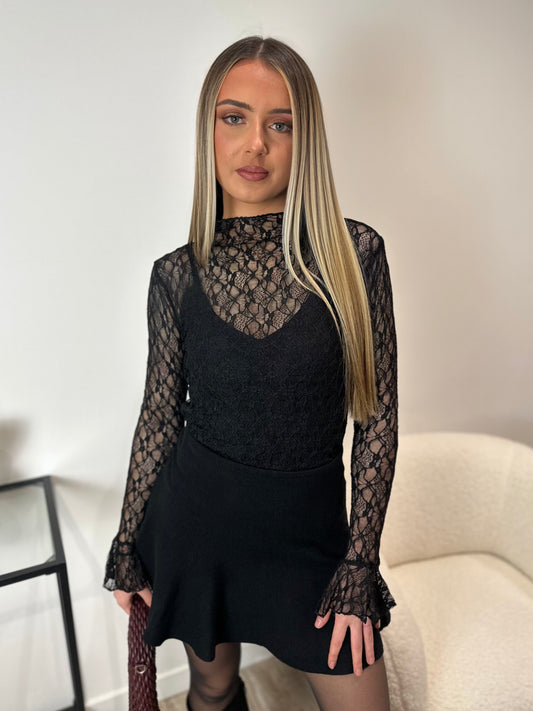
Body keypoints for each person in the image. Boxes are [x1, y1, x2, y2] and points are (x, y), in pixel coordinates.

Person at [104, 35, 398, 711]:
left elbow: (377, 419)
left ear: (305, 141)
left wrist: (359, 562)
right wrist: (127, 542)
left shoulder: (354, 256)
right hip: (198, 523)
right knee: (211, 689)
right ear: (207, 130)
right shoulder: (176, 276)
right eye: (233, 118)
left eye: (280, 124)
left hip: (311, 538)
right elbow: (159, 416)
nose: (255, 144)